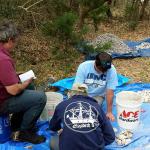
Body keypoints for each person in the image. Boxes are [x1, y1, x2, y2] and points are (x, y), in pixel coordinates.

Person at [0, 21, 47, 144]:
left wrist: (15, 76)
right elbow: (13, 90)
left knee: (30, 86)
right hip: (2, 102)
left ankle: (16, 124)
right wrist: (26, 82)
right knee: (40, 97)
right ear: (10, 40)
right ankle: (24, 132)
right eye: (15, 41)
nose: (15, 44)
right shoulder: (3, 59)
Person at [49, 83, 115, 150]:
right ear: (87, 94)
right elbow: (111, 136)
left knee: (53, 141)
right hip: (95, 147)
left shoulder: (61, 105)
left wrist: (62, 130)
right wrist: (100, 144)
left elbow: (53, 127)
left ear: (71, 93)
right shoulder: (96, 106)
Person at [73, 52, 118, 121]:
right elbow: (78, 87)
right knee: (75, 111)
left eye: (105, 70)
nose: (103, 72)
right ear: (95, 63)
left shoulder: (111, 70)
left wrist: (109, 112)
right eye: (101, 70)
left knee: (91, 112)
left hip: (97, 96)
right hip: (83, 93)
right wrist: (79, 101)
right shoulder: (84, 66)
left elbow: (110, 92)